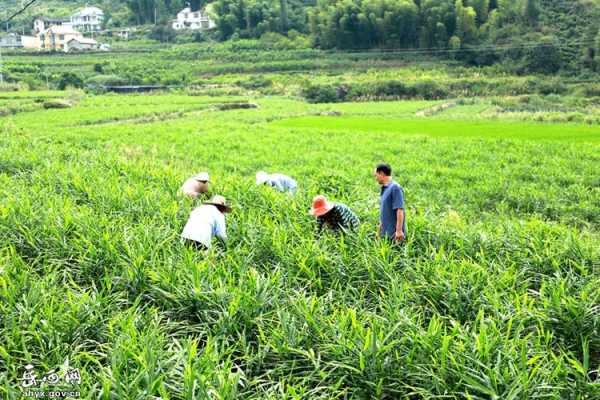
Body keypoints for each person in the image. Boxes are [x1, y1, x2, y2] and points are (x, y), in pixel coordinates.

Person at [374, 163, 406, 242]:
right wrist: (379, 231)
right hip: (385, 234)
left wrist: (398, 231)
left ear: (381, 173)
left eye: (376, 175)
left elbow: (400, 209)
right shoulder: (384, 189)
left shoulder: (395, 188)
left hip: (394, 235)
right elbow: (384, 212)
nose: (375, 178)